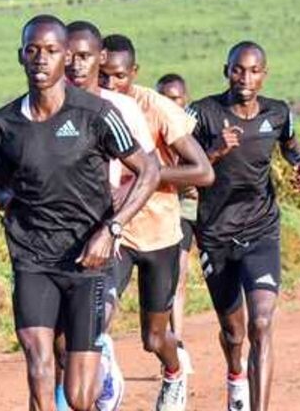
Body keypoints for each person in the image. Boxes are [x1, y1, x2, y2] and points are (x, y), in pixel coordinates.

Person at [0, 15, 159, 411]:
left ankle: (101, 370)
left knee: (78, 397)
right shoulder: (3, 123)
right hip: (32, 257)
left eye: (52, 51)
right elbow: (4, 187)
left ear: (66, 56)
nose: (41, 59)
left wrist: (112, 229)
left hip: (87, 259)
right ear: (21, 56)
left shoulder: (97, 114)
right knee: (38, 361)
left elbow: (149, 171)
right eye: (33, 50)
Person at [188, 41, 300, 411]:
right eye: (238, 70)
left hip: (261, 229)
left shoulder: (278, 112)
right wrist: (214, 151)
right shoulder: (202, 114)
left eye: (254, 71)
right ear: (226, 71)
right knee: (234, 332)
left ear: (264, 75)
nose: (245, 78)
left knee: (261, 322)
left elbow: (290, 144)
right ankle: (235, 375)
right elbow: (180, 168)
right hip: (216, 234)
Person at [99, 34, 214, 411]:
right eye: (103, 75)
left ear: (134, 72)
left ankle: (174, 371)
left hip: (159, 235)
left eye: (118, 76)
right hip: (115, 231)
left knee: (153, 337)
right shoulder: (89, 104)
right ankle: (104, 372)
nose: (109, 84)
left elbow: (203, 172)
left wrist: (147, 174)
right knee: (98, 315)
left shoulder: (157, 107)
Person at [58, 20, 157, 411]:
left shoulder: (121, 108)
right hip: (47, 238)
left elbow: (147, 169)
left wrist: (117, 214)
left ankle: (99, 366)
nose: (74, 64)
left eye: (83, 56)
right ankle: (95, 362)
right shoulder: (40, 105)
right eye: (67, 55)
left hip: (101, 233)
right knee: (54, 341)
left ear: (99, 58)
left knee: (86, 327)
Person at [155, 73, 197, 347]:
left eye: (175, 98)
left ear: (185, 99)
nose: (169, 103)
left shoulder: (193, 125)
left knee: (181, 274)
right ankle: (173, 341)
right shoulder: (150, 123)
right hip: (166, 203)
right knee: (173, 275)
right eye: (163, 97)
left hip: (193, 206)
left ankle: (176, 340)